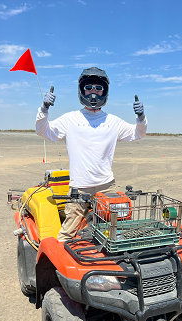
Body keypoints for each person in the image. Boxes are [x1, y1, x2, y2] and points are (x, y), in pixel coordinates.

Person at [36, 67, 147, 241]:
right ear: (81, 90)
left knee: (114, 232)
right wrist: (44, 108)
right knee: (67, 233)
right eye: (89, 88)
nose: (93, 93)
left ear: (105, 91)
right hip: (79, 188)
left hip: (107, 186)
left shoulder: (113, 121)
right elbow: (43, 131)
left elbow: (137, 133)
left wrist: (141, 117)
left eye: (98, 88)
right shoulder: (70, 119)